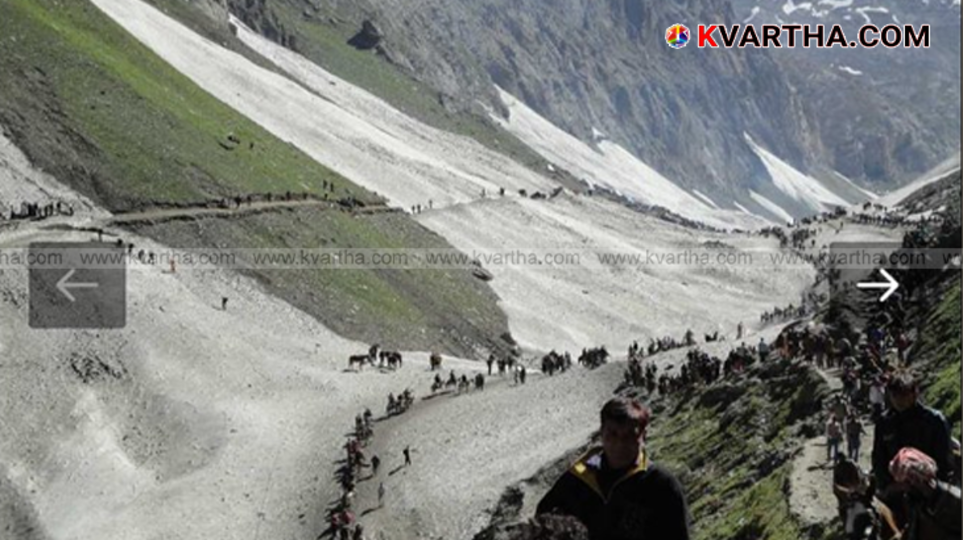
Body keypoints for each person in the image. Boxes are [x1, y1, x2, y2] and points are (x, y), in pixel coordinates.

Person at [536, 397, 690, 540]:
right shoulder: (578, 478)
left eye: (630, 435)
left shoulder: (662, 486)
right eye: (613, 434)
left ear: (644, 437)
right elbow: (542, 523)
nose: (620, 443)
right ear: (601, 433)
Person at [872, 371, 953, 493]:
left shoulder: (934, 420)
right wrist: (887, 484)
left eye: (903, 395)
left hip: (931, 487)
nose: (899, 400)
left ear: (914, 394)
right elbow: (879, 458)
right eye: (894, 395)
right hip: (895, 488)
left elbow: (945, 460)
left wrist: (931, 482)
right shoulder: (885, 422)